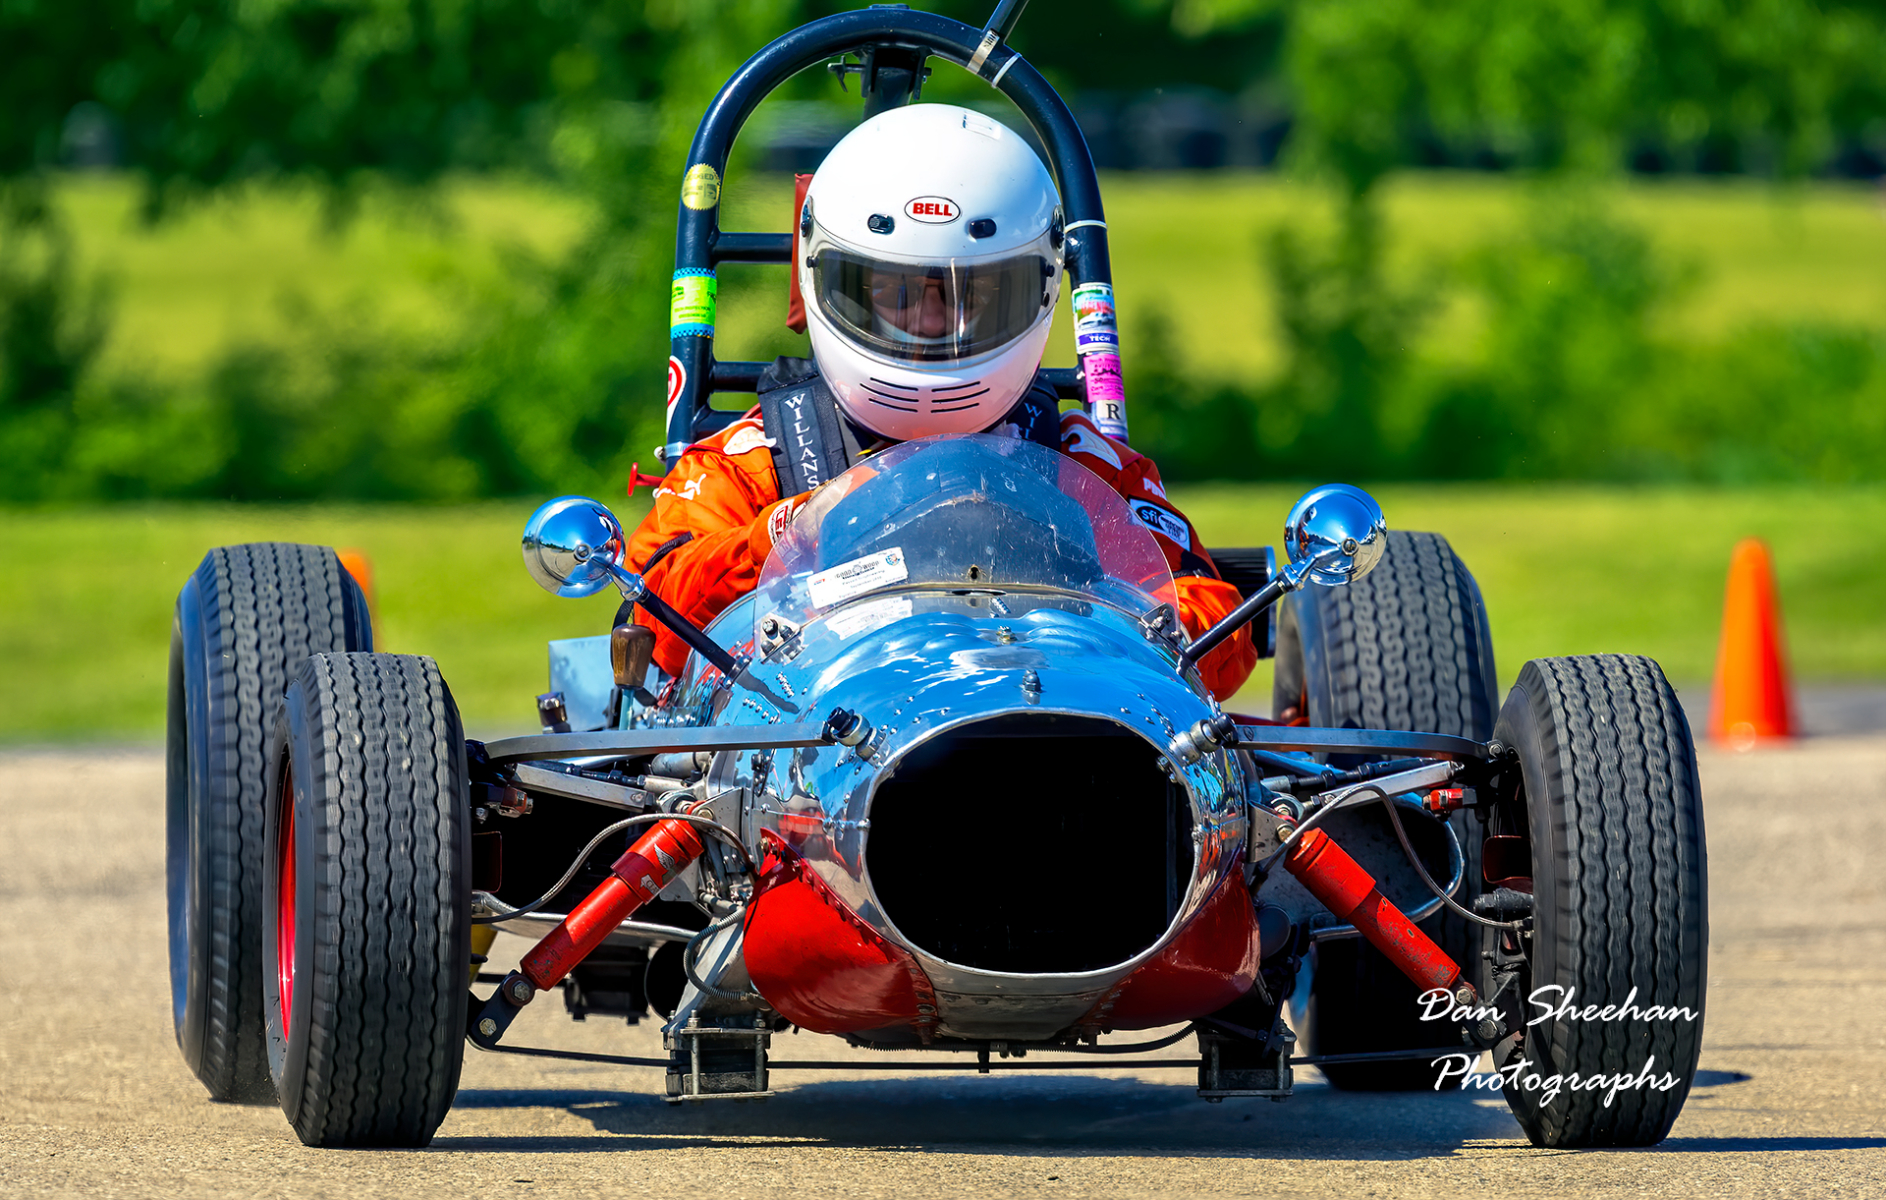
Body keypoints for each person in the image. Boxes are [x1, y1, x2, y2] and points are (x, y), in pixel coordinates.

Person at [624, 103, 1256, 700]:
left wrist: (1096, 602)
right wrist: (793, 530)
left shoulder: (1081, 461)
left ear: (1037, 287)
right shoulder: (755, 460)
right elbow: (654, 618)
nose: (929, 321)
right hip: (810, 772)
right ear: (828, 280)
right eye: (896, 292)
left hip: (1048, 740)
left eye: (968, 294)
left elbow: (1217, 621)